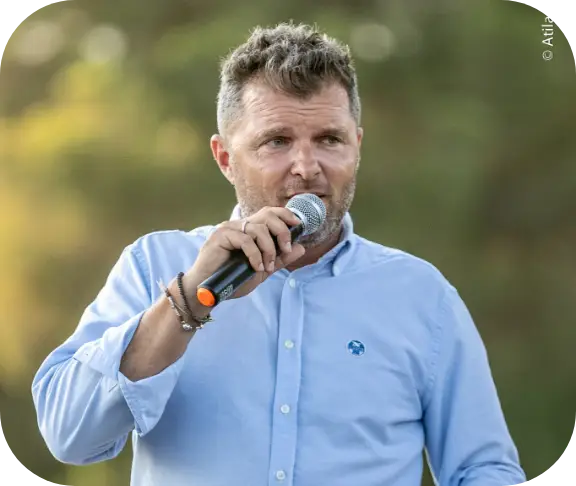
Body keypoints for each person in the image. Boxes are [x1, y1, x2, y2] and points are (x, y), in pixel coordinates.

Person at [32, 22, 528, 486]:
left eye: (329, 140)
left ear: (356, 147)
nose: (306, 167)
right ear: (225, 158)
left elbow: (485, 468)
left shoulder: (421, 295)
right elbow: (71, 436)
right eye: (277, 141)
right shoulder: (153, 265)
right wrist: (189, 299)